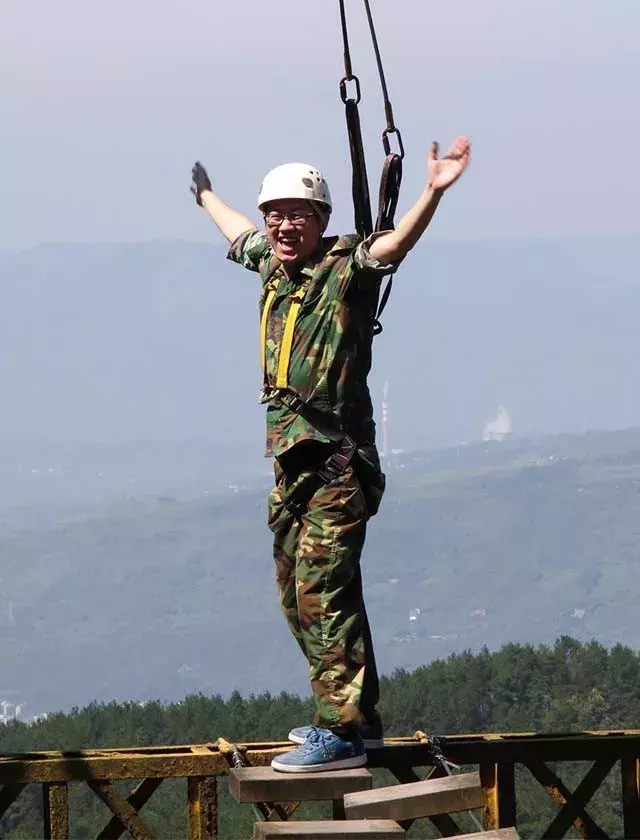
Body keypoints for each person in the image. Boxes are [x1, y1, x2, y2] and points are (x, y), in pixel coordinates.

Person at [190, 137, 471, 772]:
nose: (284, 226)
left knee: (324, 589)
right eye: (276, 214)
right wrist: (206, 195)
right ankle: (360, 720)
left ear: (323, 219)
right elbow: (240, 236)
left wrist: (433, 190)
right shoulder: (273, 264)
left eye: (299, 214)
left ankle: (339, 732)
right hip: (293, 465)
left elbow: (392, 246)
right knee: (297, 593)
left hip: (338, 463)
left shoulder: (346, 267)